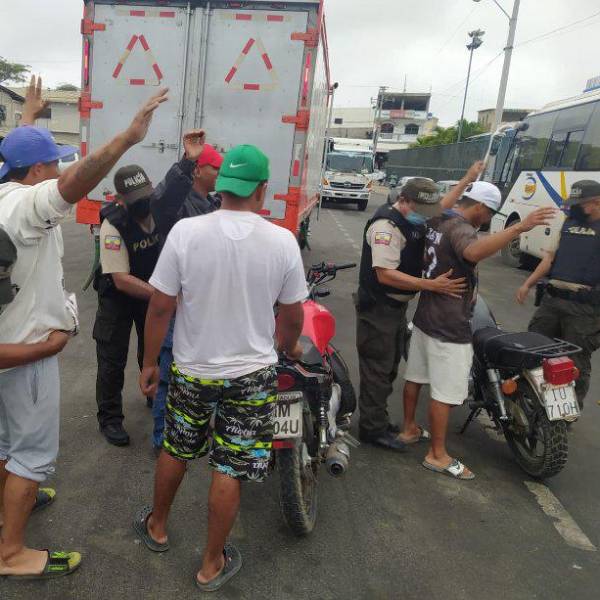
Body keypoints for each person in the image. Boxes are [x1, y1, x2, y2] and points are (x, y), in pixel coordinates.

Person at [0, 79, 168, 579]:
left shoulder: (5, 192)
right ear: (38, 172)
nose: (59, 170)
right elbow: (75, 180)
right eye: (52, 163)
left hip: (7, 346)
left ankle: (11, 505)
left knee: (6, 444)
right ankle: (10, 553)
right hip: (27, 352)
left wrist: (28, 119)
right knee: (31, 454)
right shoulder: (30, 204)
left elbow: (21, 157)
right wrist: (128, 138)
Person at [135, 144, 307, 592]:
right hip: (252, 375)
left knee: (176, 448)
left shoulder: (186, 233)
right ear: (262, 189)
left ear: (223, 185)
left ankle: (157, 527)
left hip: (193, 369)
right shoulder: (282, 240)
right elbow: (292, 315)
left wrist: (150, 362)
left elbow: (160, 307)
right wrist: (284, 347)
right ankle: (211, 563)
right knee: (229, 466)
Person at [401, 181, 556, 480]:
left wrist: (469, 176)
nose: (488, 220)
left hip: (425, 316)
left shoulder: (439, 218)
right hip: (450, 324)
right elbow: (472, 252)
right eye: (490, 214)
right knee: (444, 392)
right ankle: (437, 455)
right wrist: (518, 227)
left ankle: (409, 428)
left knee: (416, 376)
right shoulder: (461, 228)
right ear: (481, 207)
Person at [356, 164, 484, 451]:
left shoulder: (411, 216)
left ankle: (377, 420)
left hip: (394, 308)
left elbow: (443, 205)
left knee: (388, 366)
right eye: (422, 210)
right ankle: (372, 430)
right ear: (404, 200)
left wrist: (467, 178)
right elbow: (384, 274)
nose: (428, 216)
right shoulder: (386, 227)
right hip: (378, 308)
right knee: (377, 369)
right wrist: (431, 285)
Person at [149, 132, 223, 451]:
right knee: (169, 376)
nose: (221, 173)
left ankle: (193, 429)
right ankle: (163, 439)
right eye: (216, 168)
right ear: (199, 171)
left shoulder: (214, 204)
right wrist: (185, 162)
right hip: (179, 306)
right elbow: (161, 202)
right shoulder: (178, 206)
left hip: (204, 307)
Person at [516, 180, 600, 409]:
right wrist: (528, 284)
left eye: (581, 203)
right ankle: (530, 402)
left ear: (596, 202)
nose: (575, 207)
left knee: (574, 363)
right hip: (552, 300)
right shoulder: (568, 223)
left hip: (584, 309)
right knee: (534, 349)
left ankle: (565, 413)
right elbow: (549, 258)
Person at [93, 166, 161, 446]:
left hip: (149, 293)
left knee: (153, 351)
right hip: (117, 297)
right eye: (135, 199)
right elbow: (121, 280)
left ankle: (153, 393)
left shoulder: (160, 210)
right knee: (112, 359)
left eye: (145, 194)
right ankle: (110, 418)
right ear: (120, 199)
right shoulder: (113, 224)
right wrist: (163, 296)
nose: (143, 202)